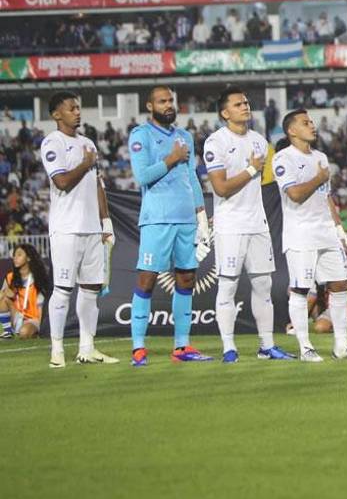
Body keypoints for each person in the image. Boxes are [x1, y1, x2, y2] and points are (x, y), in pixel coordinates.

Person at [203, 86, 293, 363]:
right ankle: (229, 347)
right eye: (238, 104)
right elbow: (220, 188)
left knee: (263, 285)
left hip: (258, 225)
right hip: (231, 226)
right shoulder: (215, 142)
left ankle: (267, 346)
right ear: (224, 112)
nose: (245, 106)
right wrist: (252, 168)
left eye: (246, 102)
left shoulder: (258, 141)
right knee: (228, 286)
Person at [274, 110, 347, 362]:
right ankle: (305, 348)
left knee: (340, 284)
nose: (312, 126)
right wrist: (318, 178)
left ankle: (342, 346)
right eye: (305, 123)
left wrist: (339, 230)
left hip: (325, 232)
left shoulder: (321, 157)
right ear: (291, 130)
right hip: (300, 234)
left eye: (312, 122)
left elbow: (326, 198)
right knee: (301, 289)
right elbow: (294, 194)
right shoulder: (283, 158)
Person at [128, 85, 212, 366]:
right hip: (157, 218)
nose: (168, 105)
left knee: (187, 278)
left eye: (170, 101)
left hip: (186, 218)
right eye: (162, 101)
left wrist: (201, 215)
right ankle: (138, 348)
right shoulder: (141, 135)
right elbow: (142, 175)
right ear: (150, 106)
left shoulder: (184, 136)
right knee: (147, 279)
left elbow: (191, 177)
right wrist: (171, 158)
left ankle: (182, 346)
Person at [39, 92, 117, 367]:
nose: (77, 112)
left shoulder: (88, 143)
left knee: (91, 288)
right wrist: (85, 163)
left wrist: (105, 222)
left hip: (91, 228)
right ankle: (57, 350)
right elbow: (61, 182)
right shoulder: (52, 142)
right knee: (62, 289)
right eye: (71, 108)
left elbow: (97, 185)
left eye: (78, 108)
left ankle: (87, 348)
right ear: (56, 114)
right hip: (66, 228)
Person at [1, 244, 50, 340]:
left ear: (28, 258)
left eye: (19, 255)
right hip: (18, 316)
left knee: (24, 333)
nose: (15, 258)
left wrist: (42, 328)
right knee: (3, 297)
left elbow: (43, 303)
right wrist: (8, 294)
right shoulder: (10, 277)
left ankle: (34, 333)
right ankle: (7, 332)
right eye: (14, 255)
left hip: (35, 318)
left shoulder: (39, 277)